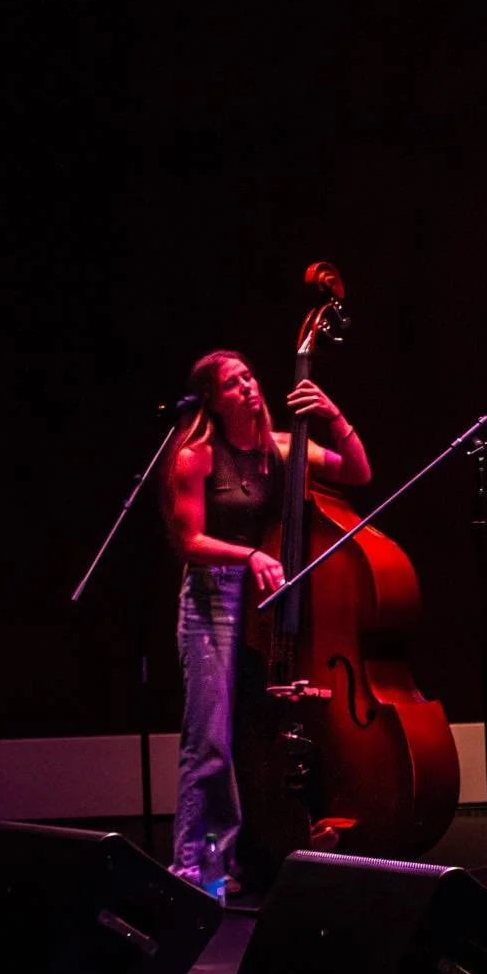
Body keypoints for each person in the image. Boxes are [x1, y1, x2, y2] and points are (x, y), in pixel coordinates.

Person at [160, 349, 371, 888]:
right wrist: (247, 555)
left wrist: (334, 415)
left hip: (269, 599)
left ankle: (255, 849)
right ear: (212, 400)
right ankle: (190, 867)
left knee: (256, 734)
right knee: (208, 739)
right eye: (233, 384)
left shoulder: (282, 448)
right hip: (213, 597)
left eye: (250, 376)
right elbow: (188, 541)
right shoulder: (196, 453)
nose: (249, 388)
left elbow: (357, 470)